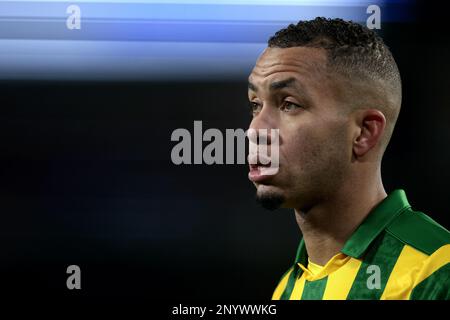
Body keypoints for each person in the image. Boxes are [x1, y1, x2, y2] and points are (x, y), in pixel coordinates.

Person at [247, 17, 450, 300]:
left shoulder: (437, 272)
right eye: (255, 105)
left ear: (364, 132)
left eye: (289, 104)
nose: (254, 131)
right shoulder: (287, 289)